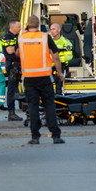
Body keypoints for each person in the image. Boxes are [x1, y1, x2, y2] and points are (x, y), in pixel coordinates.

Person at [18, 15, 64, 144]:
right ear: (38, 25)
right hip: (44, 77)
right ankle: (55, 135)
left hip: (29, 78)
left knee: (33, 106)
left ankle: (35, 136)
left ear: (27, 25)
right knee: (49, 106)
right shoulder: (45, 37)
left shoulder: (21, 38)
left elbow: (17, 53)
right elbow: (55, 56)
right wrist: (59, 73)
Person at [1, 19, 22, 121]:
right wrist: (21, 46)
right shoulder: (7, 37)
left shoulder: (17, 36)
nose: (20, 28)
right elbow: (10, 50)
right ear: (12, 27)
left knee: (20, 88)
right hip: (12, 66)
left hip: (19, 65)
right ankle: (11, 112)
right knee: (11, 89)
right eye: (18, 27)